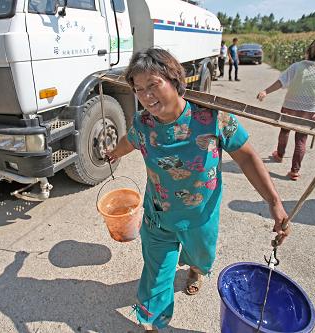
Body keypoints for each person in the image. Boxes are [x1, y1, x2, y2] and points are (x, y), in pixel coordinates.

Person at [106, 48, 289, 332]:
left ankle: (195, 269)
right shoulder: (143, 124)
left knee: (201, 258)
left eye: (153, 85)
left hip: (200, 217)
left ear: (175, 79)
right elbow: (128, 142)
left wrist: (274, 202)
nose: (146, 96)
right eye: (139, 89)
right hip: (158, 217)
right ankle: (154, 324)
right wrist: (112, 152)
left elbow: (247, 157)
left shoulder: (212, 118)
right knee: (156, 278)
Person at [256, 39, 315, 181]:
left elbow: (281, 82)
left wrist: (266, 91)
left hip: (291, 105)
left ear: (307, 52)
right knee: (301, 140)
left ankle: (279, 155)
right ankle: (294, 171)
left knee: (285, 131)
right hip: (311, 109)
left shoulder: (297, 66)